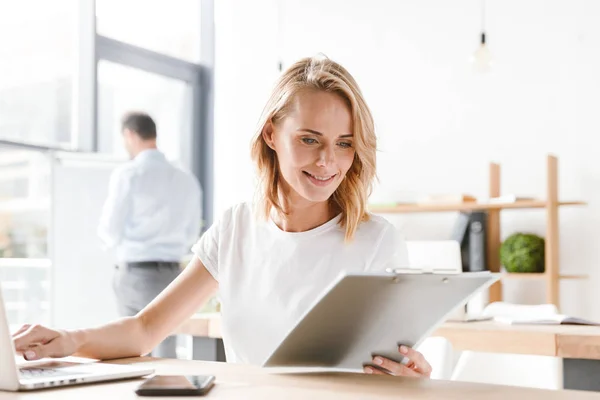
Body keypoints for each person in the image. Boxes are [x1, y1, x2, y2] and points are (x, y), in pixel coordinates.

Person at [12, 56, 432, 378]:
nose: (328, 161)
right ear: (271, 134)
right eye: (309, 139)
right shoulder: (236, 228)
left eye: (344, 143)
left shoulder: (377, 241)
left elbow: (390, 371)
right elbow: (145, 329)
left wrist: (412, 380)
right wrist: (68, 339)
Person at [96, 111, 203, 358]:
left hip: (135, 274)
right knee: (167, 351)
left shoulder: (129, 174)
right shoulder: (186, 179)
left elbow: (110, 229)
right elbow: (190, 234)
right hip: (174, 275)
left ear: (129, 135)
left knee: (129, 351)